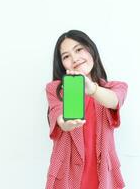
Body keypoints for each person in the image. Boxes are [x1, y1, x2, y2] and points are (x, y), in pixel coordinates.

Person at [45, 30, 128, 189]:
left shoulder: (114, 88)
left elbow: (114, 100)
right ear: (61, 64)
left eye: (78, 49)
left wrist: (92, 90)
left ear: (91, 49)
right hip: (67, 178)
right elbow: (60, 117)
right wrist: (66, 123)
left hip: (103, 177)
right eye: (66, 56)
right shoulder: (54, 89)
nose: (74, 59)